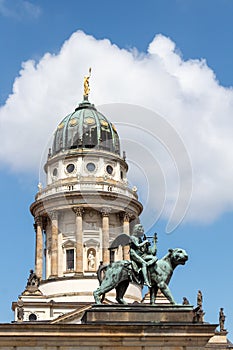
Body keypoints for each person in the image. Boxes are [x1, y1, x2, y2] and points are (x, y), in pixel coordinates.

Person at [129, 224, 157, 288]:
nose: (142, 232)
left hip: (140, 254)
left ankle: (146, 267)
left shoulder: (139, 238)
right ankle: (146, 281)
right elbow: (138, 245)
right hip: (133, 253)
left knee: (154, 258)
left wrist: (147, 245)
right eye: (141, 230)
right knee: (143, 263)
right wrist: (145, 242)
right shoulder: (132, 237)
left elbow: (143, 250)